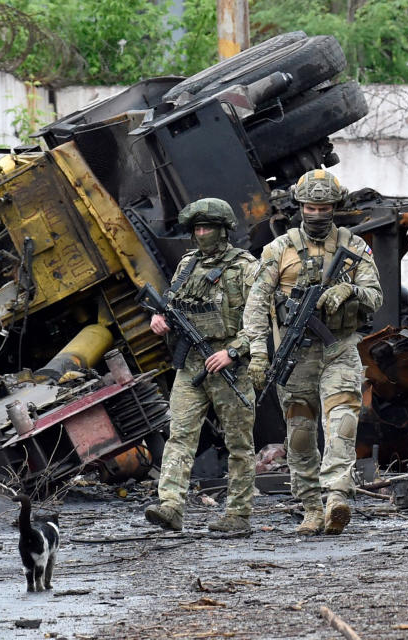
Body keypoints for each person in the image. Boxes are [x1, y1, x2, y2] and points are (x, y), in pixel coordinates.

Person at [242, 169, 383, 536]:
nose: (317, 214)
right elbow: (256, 305)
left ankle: (337, 494)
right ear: (298, 207)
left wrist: (349, 291)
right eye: (310, 207)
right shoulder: (278, 250)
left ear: (335, 207)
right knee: (300, 434)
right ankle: (310, 506)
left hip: (339, 349)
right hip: (296, 356)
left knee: (342, 423)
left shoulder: (355, 247)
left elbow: (376, 296)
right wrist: (258, 352)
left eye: (324, 207)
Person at [144, 198, 257, 536]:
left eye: (207, 228)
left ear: (224, 230)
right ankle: (171, 506)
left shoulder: (246, 268)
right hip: (190, 362)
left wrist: (233, 352)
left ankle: (238, 514)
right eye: (197, 229)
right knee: (179, 435)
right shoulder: (187, 264)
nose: (202, 234)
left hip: (229, 366)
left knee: (238, 442)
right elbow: (170, 304)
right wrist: (159, 320)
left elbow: (263, 321)